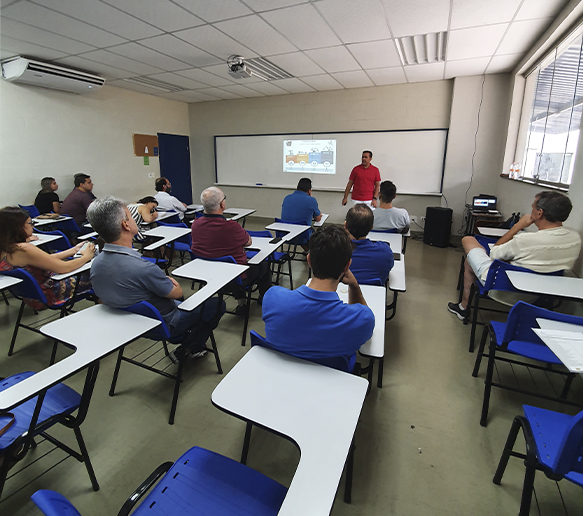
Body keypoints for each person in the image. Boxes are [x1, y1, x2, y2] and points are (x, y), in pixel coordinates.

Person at [87, 197, 225, 360]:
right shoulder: (143, 268)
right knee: (216, 304)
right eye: (130, 216)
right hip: (162, 324)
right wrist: (169, 283)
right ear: (126, 224)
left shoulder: (96, 264)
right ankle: (189, 345)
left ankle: (187, 338)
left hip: (129, 325)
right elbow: (177, 292)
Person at [448, 191, 582, 320]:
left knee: (468, 240)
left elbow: (494, 253)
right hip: (543, 295)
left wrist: (517, 226)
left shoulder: (525, 240)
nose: (531, 210)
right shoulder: (575, 239)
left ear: (539, 213)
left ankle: (464, 308)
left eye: (533, 207)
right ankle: (463, 305)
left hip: (506, 290)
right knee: (469, 262)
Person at [262, 225, 375, 367]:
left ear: (309, 260)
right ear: (347, 266)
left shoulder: (272, 298)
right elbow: (364, 320)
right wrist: (354, 286)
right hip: (330, 385)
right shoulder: (362, 319)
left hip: (281, 381)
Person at [191, 186, 272, 311]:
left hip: (208, 274)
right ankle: (264, 299)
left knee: (230, 263)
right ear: (222, 204)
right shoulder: (231, 226)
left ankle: (242, 303)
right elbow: (248, 242)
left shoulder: (195, 224)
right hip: (235, 277)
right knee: (264, 265)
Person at [0, 206, 94, 310]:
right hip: (53, 293)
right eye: (30, 223)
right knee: (99, 271)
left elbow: (42, 259)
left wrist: (73, 250)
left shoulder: (6, 248)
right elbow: (63, 268)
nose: (33, 226)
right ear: (18, 227)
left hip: (33, 296)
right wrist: (86, 257)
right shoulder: (24, 249)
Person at [345, 204, 394, 285]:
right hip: (375, 296)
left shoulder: (335, 251)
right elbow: (389, 268)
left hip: (343, 294)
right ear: (371, 227)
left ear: (345, 226)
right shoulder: (385, 251)